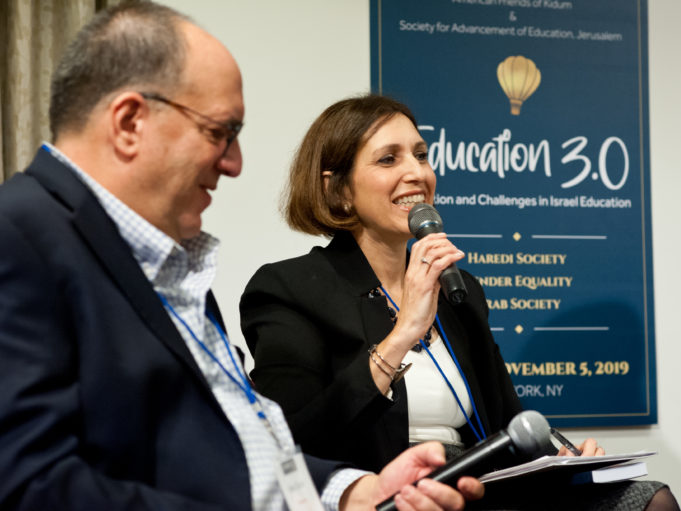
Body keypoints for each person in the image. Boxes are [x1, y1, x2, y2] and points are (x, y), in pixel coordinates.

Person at [0, 4, 484, 510]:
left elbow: (231, 454)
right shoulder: (18, 239)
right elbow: (26, 486)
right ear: (129, 122)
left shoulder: (168, 266)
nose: (234, 163)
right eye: (219, 132)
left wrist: (352, 491)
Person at [239, 95, 679, 510]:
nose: (416, 172)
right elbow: (295, 437)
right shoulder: (290, 288)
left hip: (478, 485)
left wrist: (562, 457)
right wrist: (403, 333)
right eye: (389, 159)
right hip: (388, 491)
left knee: (649, 499)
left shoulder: (457, 287)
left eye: (421, 155)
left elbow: (506, 418)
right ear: (338, 190)